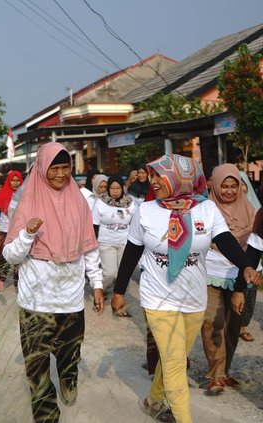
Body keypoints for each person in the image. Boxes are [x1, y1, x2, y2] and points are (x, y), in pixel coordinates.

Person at [111, 154, 260, 423]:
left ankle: (153, 400)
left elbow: (225, 240)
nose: (153, 181)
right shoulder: (145, 211)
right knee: (174, 361)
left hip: (193, 298)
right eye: (152, 175)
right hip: (157, 298)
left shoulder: (206, 209)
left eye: (158, 176)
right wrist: (119, 291)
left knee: (174, 357)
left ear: (180, 178)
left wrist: (245, 265)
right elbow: (132, 253)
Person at [3, 142, 104, 423]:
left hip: (70, 298)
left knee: (69, 355)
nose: (61, 174)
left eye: (65, 167)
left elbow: (90, 248)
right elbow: (10, 256)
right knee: (36, 365)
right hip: (35, 300)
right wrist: (26, 234)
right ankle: (47, 416)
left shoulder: (79, 201)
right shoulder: (28, 203)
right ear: (42, 169)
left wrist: (96, 284)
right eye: (54, 168)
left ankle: (69, 380)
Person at [201, 164, 256, 395]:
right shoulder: (205, 209)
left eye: (234, 186)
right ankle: (214, 374)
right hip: (210, 273)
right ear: (214, 185)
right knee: (211, 323)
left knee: (233, 325)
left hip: (240, 277)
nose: (230, 191)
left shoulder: (250, 209)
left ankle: (224, 371)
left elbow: (255, 246)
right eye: (224, 186)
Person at [92, 175, 137, 297]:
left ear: (122, 188)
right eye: (112, 188)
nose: (115, 191)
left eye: (118, 188)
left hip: (125, 243)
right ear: (108, 189)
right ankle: (101, 289)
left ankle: (118, 297)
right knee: (110, 273)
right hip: (106, 243)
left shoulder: (130, 203)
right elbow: (94, 224)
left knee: (122, 273)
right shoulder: (100, 202)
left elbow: (135, 223)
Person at [238, 171, 261, 342]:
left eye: (241, 183)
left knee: (250, 296)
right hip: (229, 261)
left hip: (250, 259)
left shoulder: (256, 209)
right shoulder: (215, 207)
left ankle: (242, 324)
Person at [0, 170, 24, 291]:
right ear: (8, 181)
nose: (15, 183)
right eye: (13, 180)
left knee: (19, 256)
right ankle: (1, 279)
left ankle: (18, 280)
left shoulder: (24, 194)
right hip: (5, 229)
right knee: (3, 255)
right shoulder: (2, 194)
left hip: (20, 231)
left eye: (18, 181)